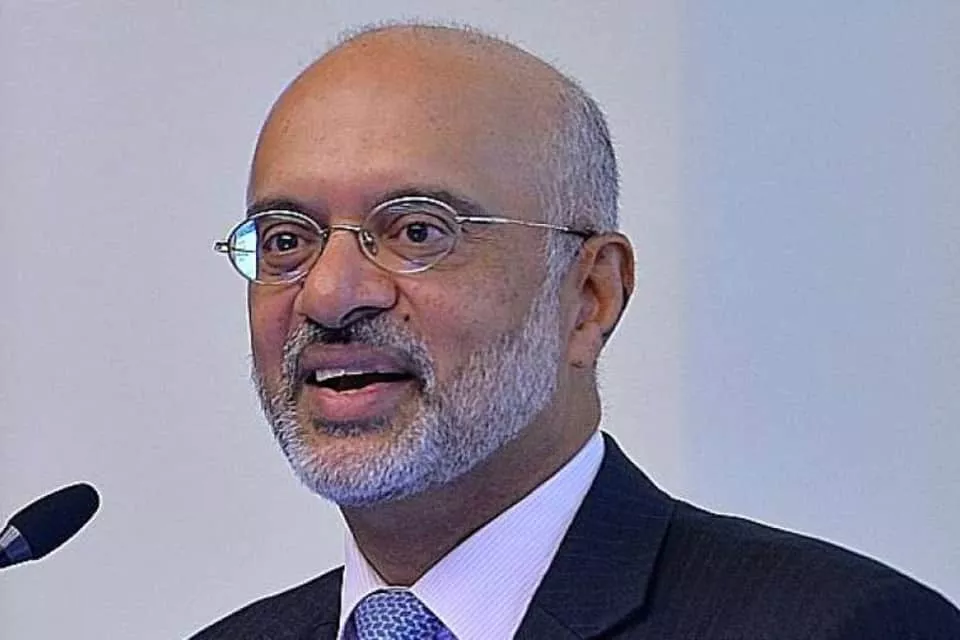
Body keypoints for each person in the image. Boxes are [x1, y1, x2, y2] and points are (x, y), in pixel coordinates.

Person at [195, 23, 959, 640]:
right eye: (286, 239)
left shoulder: (840, 626)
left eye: (418, 231)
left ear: (590, 297)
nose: (330, 294)